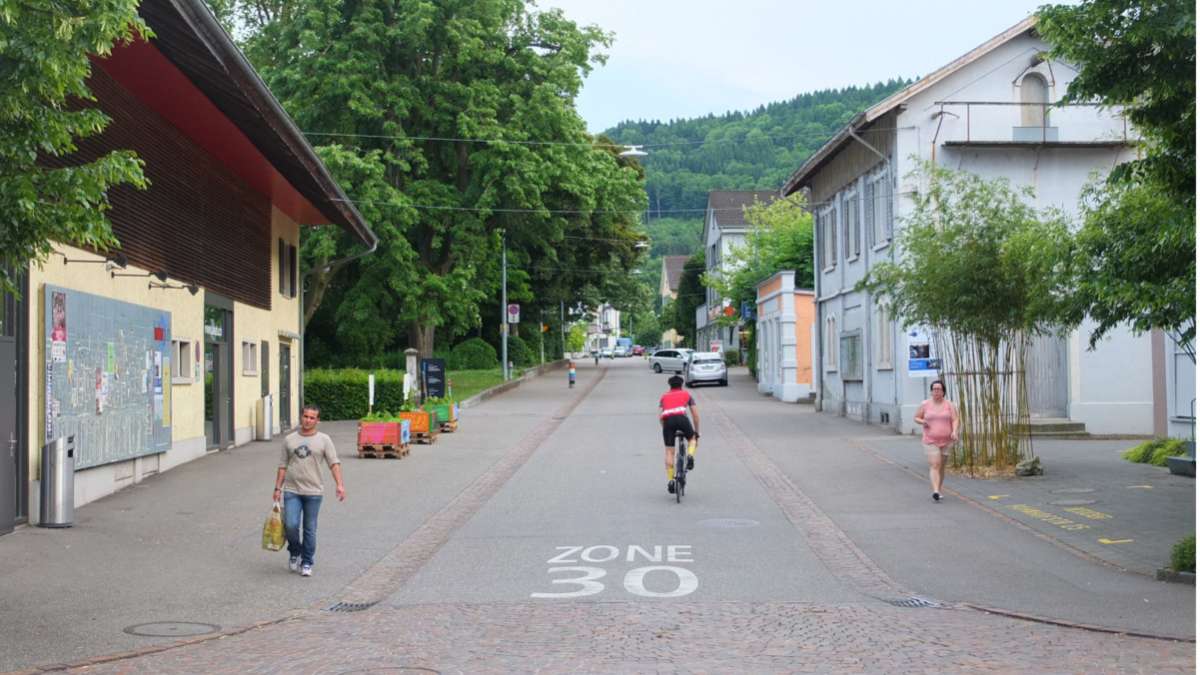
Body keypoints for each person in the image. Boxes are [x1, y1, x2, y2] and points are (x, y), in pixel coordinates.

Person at [272, 404, 345, 576]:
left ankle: (307, 561)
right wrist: (277, 488)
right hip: (292, 490)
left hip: (314, 492)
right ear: (301, 417)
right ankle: (295, 552)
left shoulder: (324, 440)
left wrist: (339, 485)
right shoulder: (289, 440)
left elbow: (334, 463)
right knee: (290, 525)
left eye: (312, 417)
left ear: (317, 421)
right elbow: (283, 465)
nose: (308, 420)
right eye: (306, 416)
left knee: (310, 529)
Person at [913, 379, 959, 502]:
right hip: (930, 440)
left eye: (939, 389)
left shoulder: (950, 405)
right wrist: (923, 422)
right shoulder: (925, 404)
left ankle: (938, 489)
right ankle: (935, 491)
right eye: (934, 389)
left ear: (943, 391)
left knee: (941, 467)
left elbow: (955, 419)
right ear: (931, 391)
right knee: (935, 464)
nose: (937, 391)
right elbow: (916, 417)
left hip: (947, 440)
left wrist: (954, 431)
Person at [658, 374, 700, 494]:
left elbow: (660, 417)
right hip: (682, 419)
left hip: (668, 422)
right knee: (692, 439)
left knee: (669, 452)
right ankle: (690, 456)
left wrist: (665, 428)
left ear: (669, 385)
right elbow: (695, 416)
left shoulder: (664, 397)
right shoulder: (687, 395)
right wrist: (696, 432)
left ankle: (671, 480)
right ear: (681, 385)